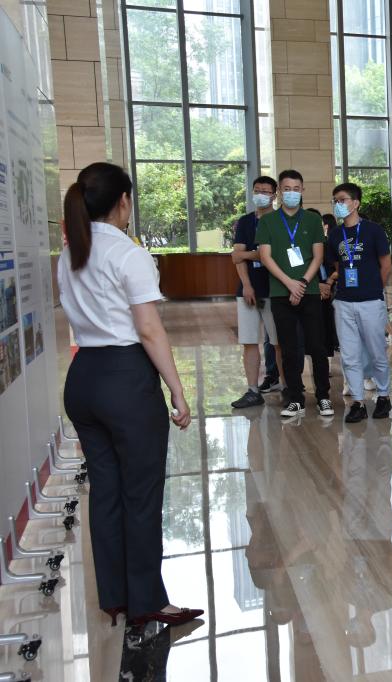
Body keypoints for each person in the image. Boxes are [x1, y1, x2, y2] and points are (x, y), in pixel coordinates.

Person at [59, 162, 202, 627]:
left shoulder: (71, 253)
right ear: (123, 201)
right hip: (125, 380)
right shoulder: (128, 254)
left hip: (84, 377)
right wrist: (177, 391)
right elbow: (149, 330)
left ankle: (115, 596)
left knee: (105, 491)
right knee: (141, 494)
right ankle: (147, 601)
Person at [256, 169, 333, 418]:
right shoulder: (267, 221)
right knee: (289, 349)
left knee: (317, 346)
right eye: (286, 189)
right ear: (279, 191)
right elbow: (265, 257)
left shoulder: (311, 220)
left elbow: (318, 256)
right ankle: (295, 398)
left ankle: (323, 396)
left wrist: (302, 282)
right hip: (281, 292)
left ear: (302, 190)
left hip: (309, 291)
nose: (291, 193)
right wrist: (289, 283)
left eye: (296, 189)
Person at [325, 182, 392, 423]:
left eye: (342, 200)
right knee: (349, 355)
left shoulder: (374, 230)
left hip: (370, 301)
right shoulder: (335, 234)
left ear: (355, 203)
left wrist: (373, 288)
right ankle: (358, 402)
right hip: (344, 301)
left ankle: (383, 396)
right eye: (335, 200)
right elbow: (338, 265)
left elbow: (386, 264)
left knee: (376, 352)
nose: (338, 204)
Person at [231, 176, 283, 409]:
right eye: (257, 190)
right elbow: (236, 257)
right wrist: (247, 284)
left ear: (274, 195)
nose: (261, 194)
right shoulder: (245, 222)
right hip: (249, 291)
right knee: (249, 341)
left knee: (279, 343)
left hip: (275, 290)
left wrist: (253, 254)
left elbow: (274, 256)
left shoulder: (281, 221)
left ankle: (287, 387)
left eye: (265, 191)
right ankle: (253, 390)